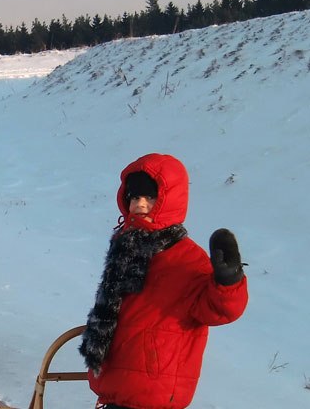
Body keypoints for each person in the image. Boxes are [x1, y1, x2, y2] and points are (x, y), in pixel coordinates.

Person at [78, 153, 248, 409]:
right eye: (134, 197)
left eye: (150, 197)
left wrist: (229, 281)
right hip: (116, 384)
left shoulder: (186, 258)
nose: (140, 204)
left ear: (169, 201)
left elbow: (218, 309)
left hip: (153, 389)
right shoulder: (126, 247)